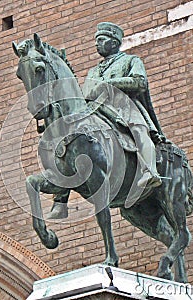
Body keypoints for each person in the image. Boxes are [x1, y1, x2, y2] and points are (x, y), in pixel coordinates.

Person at [46, 22, 163, 219]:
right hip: (96, 111)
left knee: (139, 130)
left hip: (123, 108)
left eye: (101, 40)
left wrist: (110, 83)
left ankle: (149, 171)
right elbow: (85, 95)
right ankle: (61, 194)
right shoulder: (93, 72)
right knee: (70, 138)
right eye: (96, 40)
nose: (97, 44)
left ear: (114, 42)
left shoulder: (130, 61)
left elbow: (140, 82)